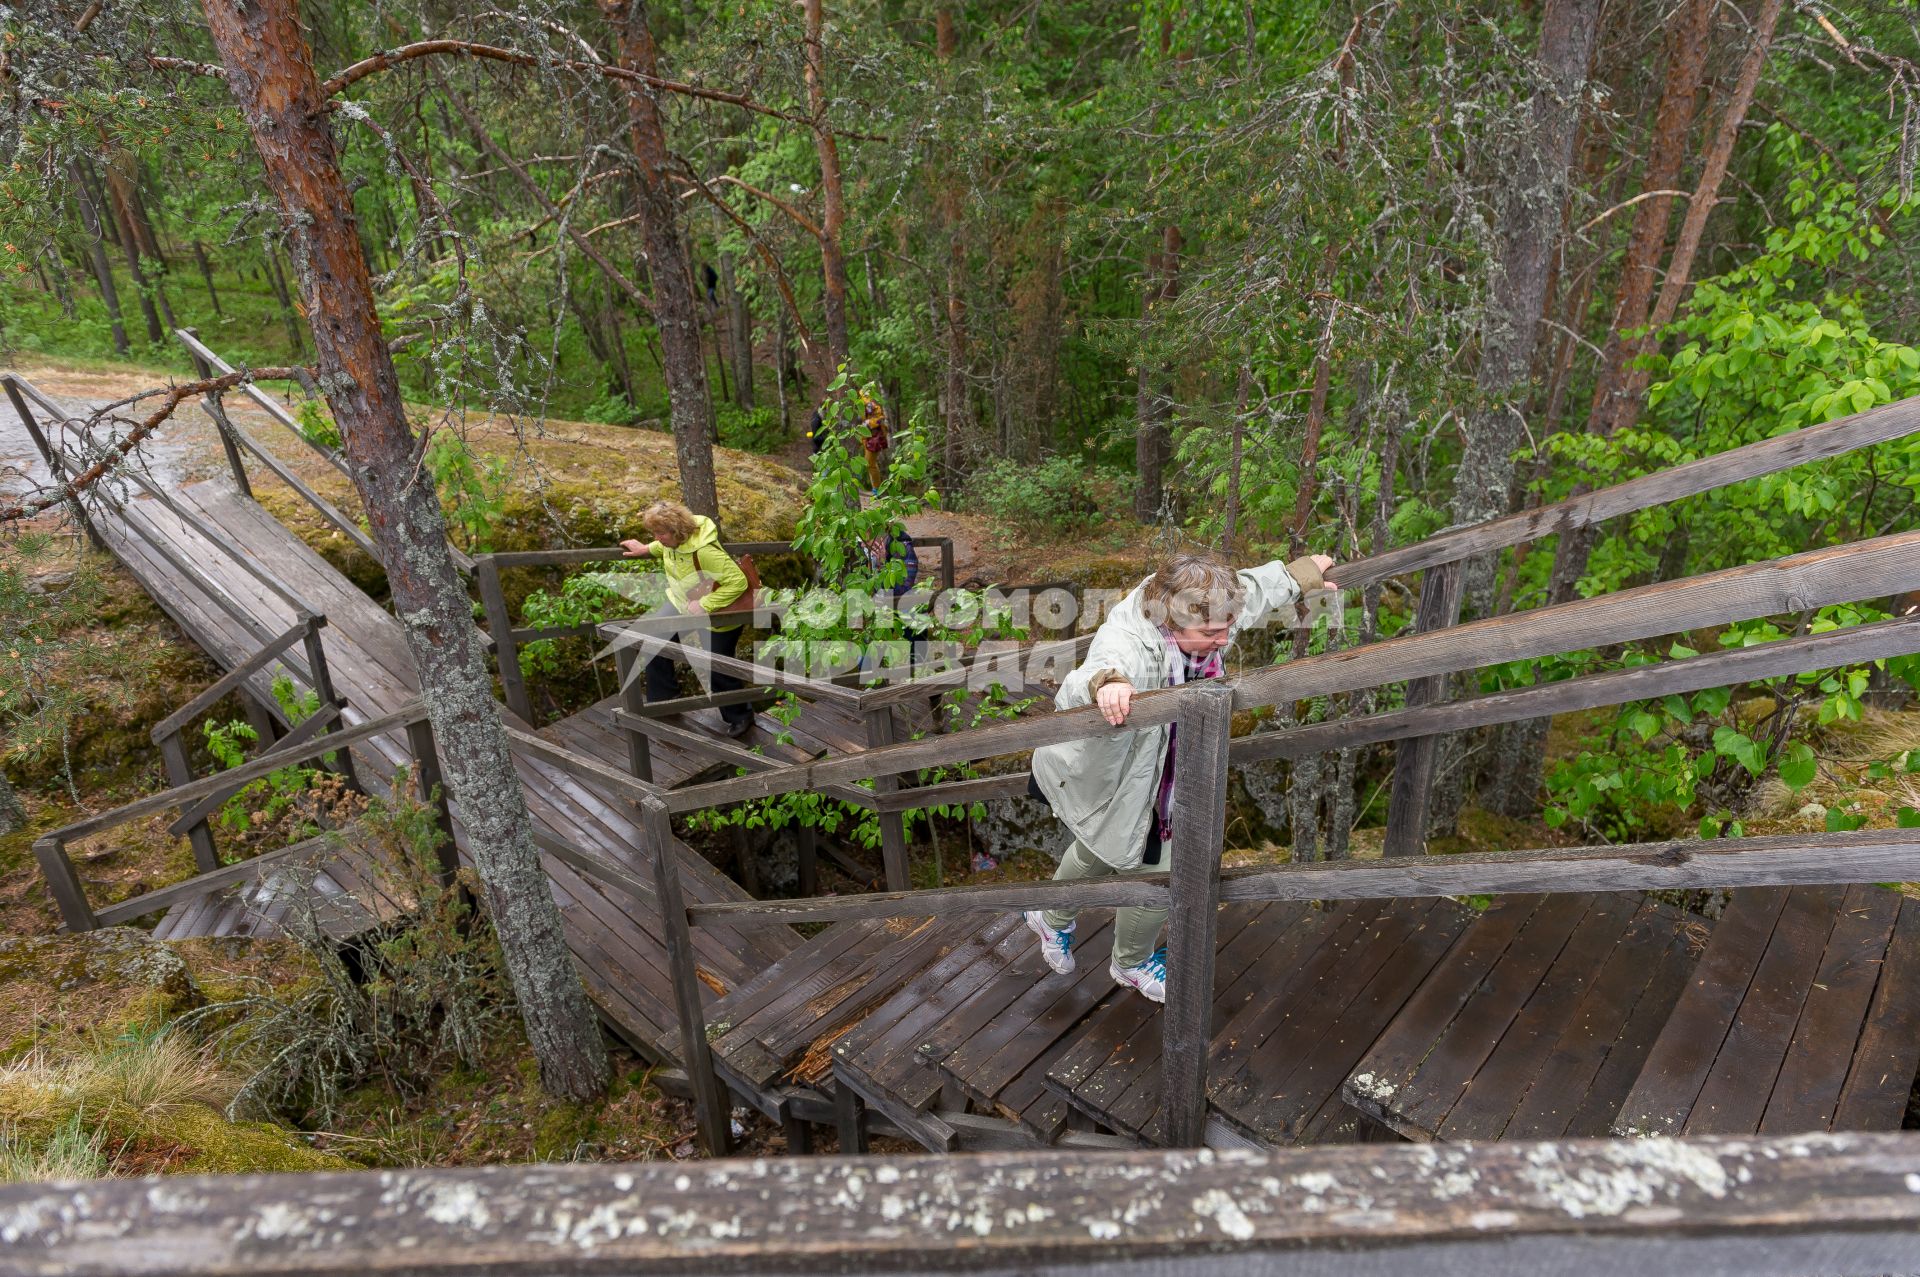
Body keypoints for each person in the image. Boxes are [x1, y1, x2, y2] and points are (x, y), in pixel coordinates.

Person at [1022, 549, 1338, 1002]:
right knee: (1161, 866)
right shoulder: (1134, 642)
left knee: (1099, 846)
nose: (1224, 639)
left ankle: (1048, 918)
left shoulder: (1200, 603)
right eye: (1210, 633)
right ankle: (1129, 963)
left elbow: (1249, 592)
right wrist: (1108, 683)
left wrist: (1300, 575)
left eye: (1226, 627)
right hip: (1113, 773)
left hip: (1144, 766)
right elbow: (1089, 674)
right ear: (1170, 621)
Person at [619, 500, 757, 738]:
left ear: (677, 531)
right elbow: (665, 548)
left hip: (720, 612)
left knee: (716, 666)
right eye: (654, 533)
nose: (657, 537)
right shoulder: (672, 543)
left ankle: (740, 716)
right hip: (680, 602)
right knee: (652, 641)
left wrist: (704, 604)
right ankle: (664, 702)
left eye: (660, 533)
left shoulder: (704, 551)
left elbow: (738, 582)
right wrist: (645, 548)